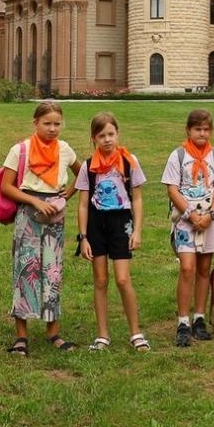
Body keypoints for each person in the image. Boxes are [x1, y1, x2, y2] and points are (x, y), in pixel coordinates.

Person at [0, 101, 79, 355]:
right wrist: (34, 201)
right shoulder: (21, 150)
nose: (53, 129)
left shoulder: (64, 149)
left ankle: (53, 331)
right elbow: (6, 186)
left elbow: (85, 172)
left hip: (54, 216)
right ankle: (21, 336)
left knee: (52, 271)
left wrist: (67, 194)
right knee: (25, 269)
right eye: (47, 124)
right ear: (35, 123)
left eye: (57, 124)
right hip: (28, 214)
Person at [75, 112, 148, 351]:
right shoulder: (88, 167)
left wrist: (136, 231)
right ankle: (102, 334)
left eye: (111, 134)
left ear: (118, 134)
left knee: (123, 279)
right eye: (101, 136)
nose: (107, 140)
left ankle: (136, 333)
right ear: (94, 138)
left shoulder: (129, 161)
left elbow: (136, 198)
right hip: (97, 224)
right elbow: (83, 204)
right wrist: (83, 237)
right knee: (100, 280)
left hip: (121, 222)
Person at [164, 108, 214, 347]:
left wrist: (212, 213)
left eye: (205, 129)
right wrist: (190, 214)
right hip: (186, 221)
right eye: (197, 129)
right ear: (188, 130)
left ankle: (199, 318)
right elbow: (172, 189)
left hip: (209, 219)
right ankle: (183, 321)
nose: (202, 133)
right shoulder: (179, 156)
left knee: (204, 268)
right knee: (188, 268)